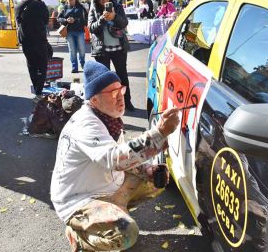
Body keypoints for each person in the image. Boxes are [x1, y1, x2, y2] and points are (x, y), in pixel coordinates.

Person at [50, 61, 180, 252]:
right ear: (94, 100)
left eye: (121, 90)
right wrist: (158, 134)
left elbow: (122, 154)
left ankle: (113, 210)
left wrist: (147, 170)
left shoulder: (108, 117)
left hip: (103, 184)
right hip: (79, 199)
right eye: (113, 93)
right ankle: (79, 234)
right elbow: (114, 158)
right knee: (126, 234)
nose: (121, 98)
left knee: (155, 180)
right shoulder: (86, 124)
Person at [88, 0, 135, 111]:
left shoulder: (117, 6)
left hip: (118, 48)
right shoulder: (94, 8)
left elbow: (124, 22)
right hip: (102, 50)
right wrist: (102, 19)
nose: (104, 0)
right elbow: (91, 28)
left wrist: (114, 16)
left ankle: (127, 101)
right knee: (105, 81)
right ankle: (108, 105)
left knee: (122, 76)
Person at [15, 0, 50, 102]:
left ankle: (37, 91)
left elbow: (18, 22)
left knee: (32, 65)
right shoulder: (40, 4)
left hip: (26, 40)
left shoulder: (18, 6)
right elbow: (46, 20)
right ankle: (39, 89)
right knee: (42, 65)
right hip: (39, 39)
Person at [57, 0, 88, 73]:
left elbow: (85, 20)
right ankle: (74, 67)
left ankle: (83, 64)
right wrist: (65, 20)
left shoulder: (81, 7)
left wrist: (75, 20)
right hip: (69, 32)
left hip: (80, 31)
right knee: (72, 50)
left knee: (82, 49)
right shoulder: (65, 8)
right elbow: (58, 18)